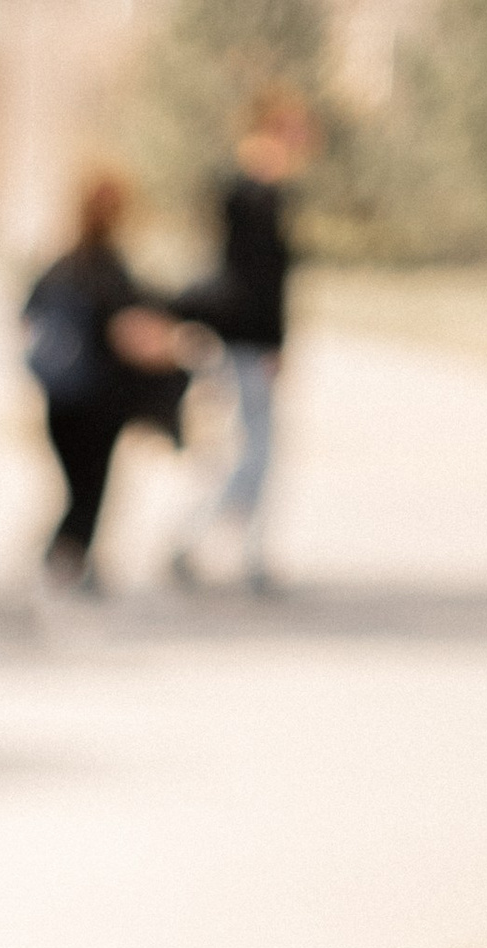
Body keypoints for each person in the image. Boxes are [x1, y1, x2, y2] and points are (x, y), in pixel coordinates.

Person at [171, 88, 315, 593]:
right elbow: (260, 282)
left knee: (253, 447)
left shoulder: (247, 190)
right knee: (256, 450)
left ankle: (238, 548)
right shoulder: (259, 194)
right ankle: (204, 542)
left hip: (240, 336)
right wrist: (274, 342)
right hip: (248, 340)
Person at [22, 173, 188, 592]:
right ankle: (62, 566)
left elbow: (29, 319)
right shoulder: (110, 270)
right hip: (97, 401)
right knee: (89, 490)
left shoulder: (63, 264)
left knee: (78, 489)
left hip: (59, 399)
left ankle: (67, 562)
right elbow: (132, 333)